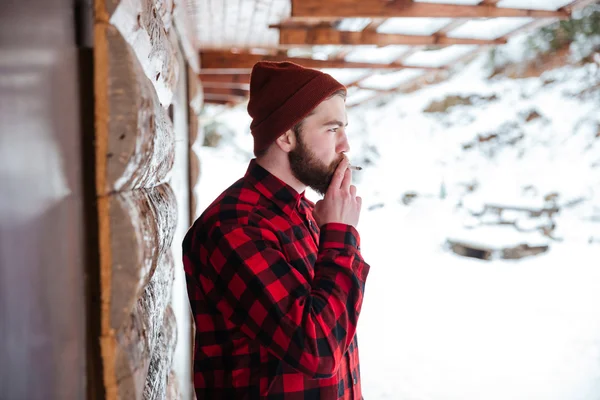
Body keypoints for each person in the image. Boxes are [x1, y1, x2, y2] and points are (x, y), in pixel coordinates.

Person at [183, 61, 370, 399]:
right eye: (332, 129)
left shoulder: (305, 213)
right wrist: (340, 237)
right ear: (286, 135)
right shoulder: (233, 227)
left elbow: (335, 331)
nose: (345, 145)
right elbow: (317, 350)